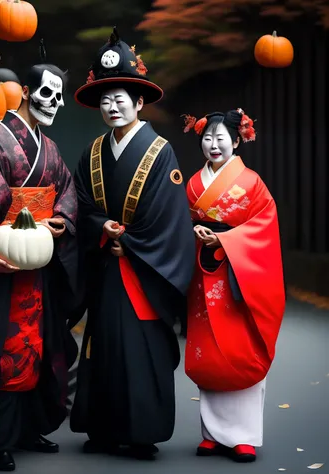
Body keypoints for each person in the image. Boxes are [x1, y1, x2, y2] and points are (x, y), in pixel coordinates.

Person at [0, 53, 80, 471]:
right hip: (2, 265)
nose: (51, 104)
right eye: (45, 94)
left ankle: (27, 426)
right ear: (24, 92)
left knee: (37, 345)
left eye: (58, 99)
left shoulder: (51, 149)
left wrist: (62, 219)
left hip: (37, 266)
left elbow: (67, 192)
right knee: (1, 351)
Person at [70, 27, 195, 460]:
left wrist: (134, 244)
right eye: (104, 100)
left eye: (120, 98)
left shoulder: (161, 152)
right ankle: (103, 428)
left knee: (142, 348)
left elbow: (170, 217)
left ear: (139, 102)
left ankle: (142, 432)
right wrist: (101, 228)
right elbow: (80, 206)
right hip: (106, 268)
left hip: (144, 270)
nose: (111, 106)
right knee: (103, 346)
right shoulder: (90, 154)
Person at [182, 108, 285, 462]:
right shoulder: (193, 183)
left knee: (240, 351)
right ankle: (211, 433)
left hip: (238, 279)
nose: (213, 145)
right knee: (208, 353)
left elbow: (264, 227)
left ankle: (242, 435)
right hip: (204, 275)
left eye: (220, 138)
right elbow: (181, 221)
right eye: (207, 138)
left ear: (237, 141)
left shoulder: (252, 183)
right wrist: (193, 233)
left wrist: (225, 240)